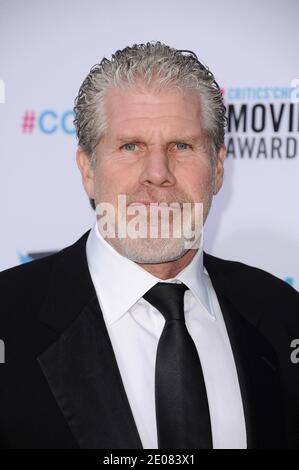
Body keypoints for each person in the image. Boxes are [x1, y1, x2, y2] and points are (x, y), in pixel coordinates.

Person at [0, 41, 298, 450]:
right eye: (130, 146)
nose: (157, 174)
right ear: (87, 169)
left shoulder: (282, 313)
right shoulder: (7, 314)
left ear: (218, 169)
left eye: (182, 146)